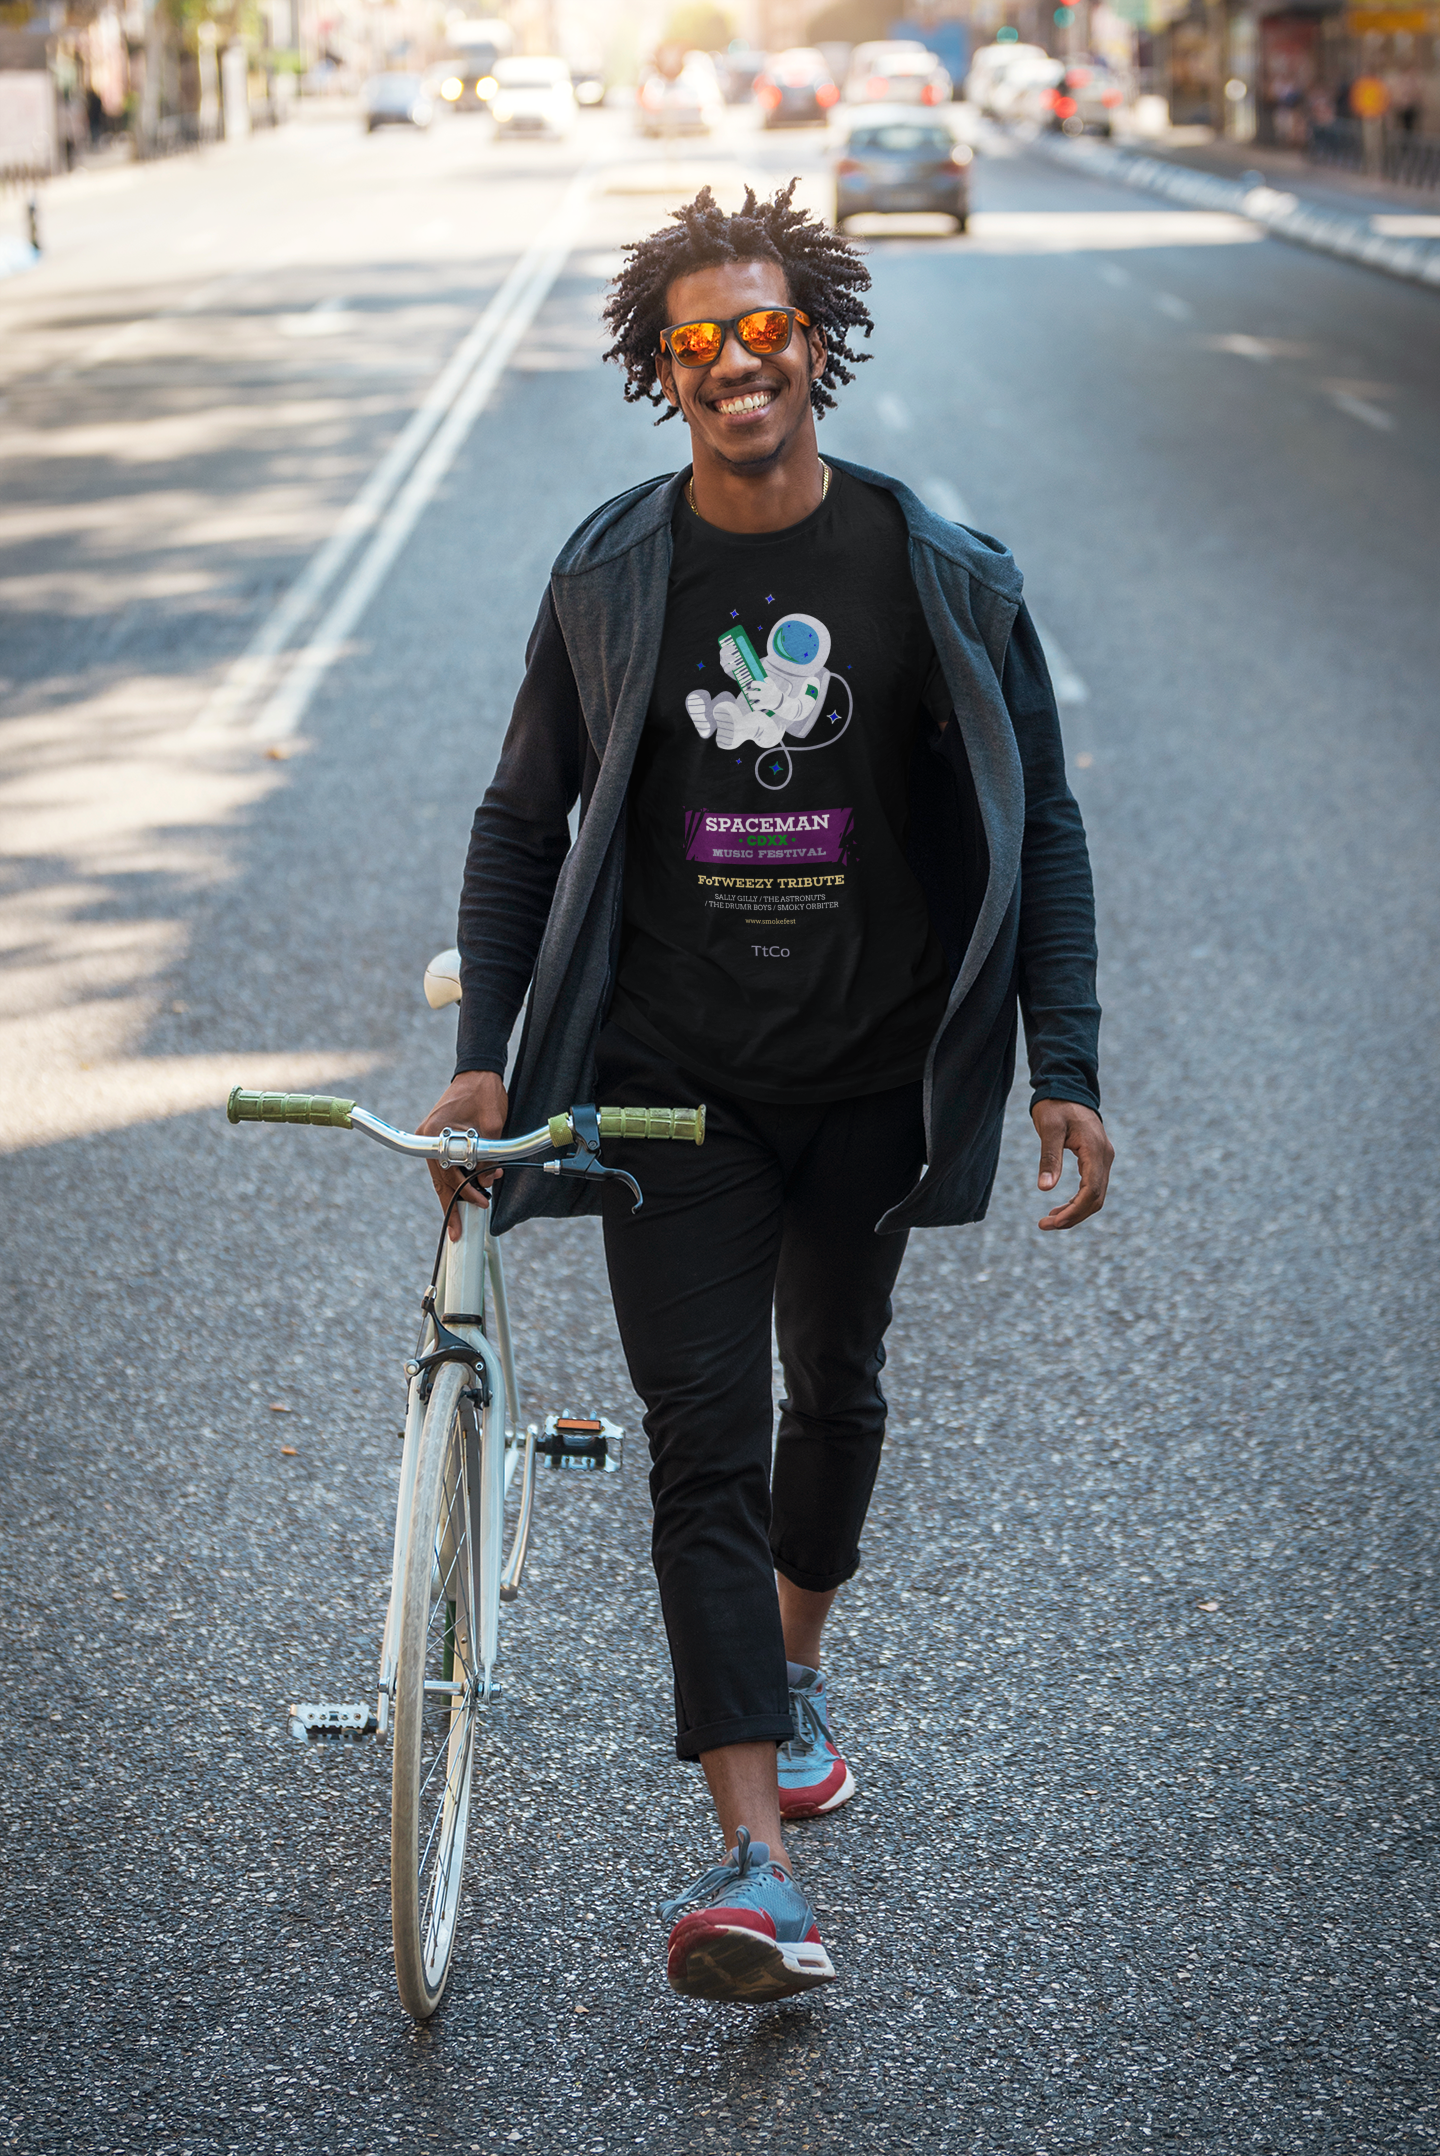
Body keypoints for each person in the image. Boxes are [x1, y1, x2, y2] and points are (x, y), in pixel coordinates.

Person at [419, 182, 1112, 2006]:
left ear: (819, 344)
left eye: (766, 329)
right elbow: (522, 820)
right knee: (704, 1440)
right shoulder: (612, 576)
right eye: (700, 341)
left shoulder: (936, 573)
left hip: (876, 1075)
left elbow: (1041, 822)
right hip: (673, 1088)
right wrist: (490, 1052)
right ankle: (756, 1864)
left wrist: (1065, 1062)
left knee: (840, 1396)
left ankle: (794, 1668)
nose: (738, 362)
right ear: (663, 372)